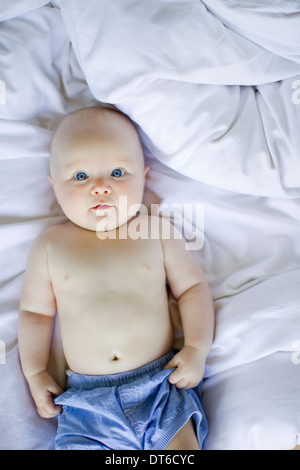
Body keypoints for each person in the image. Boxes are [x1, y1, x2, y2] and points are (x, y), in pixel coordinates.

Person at [18, 106, 214, 450]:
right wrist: (36, 372)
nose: (100, 188)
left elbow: (192, 288)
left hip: (160, 387)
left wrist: (197, 347)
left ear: (144, 176)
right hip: (86, 405)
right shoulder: (51, 245)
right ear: (54, 185)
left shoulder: (154, 231)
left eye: (118, 172)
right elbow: (35, 314)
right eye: (80, 177)